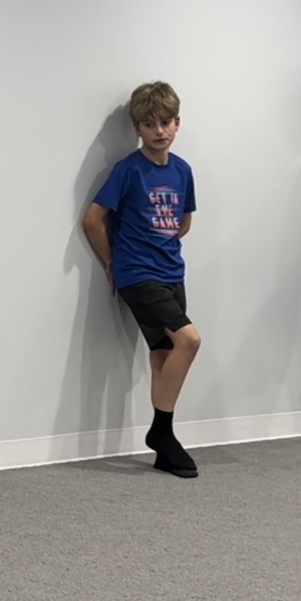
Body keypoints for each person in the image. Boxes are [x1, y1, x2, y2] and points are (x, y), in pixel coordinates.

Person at [82, 82, 202, 477]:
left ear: (177, 123)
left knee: (163, 353)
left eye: (165, 122)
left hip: (172, 272)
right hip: (137, 274)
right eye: (149, 124)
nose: (159, 131)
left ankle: (164, 448)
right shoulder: (128, 170)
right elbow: (93, 219)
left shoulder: (183, 171)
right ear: (137, 129)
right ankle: (161, 432)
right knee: (190, 340)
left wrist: (162, 240)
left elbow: (184, 222)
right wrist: (111, 262)